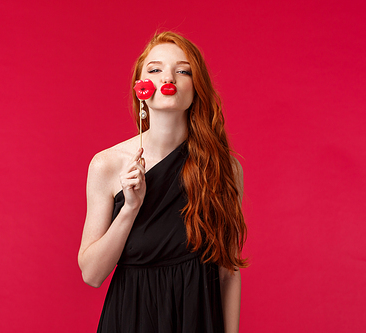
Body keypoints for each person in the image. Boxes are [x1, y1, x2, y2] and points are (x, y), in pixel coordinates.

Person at [78, 31, 248, 333]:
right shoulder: (107, 165)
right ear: (140, 88)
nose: (167, 77)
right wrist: (130, 208)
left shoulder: (224, 169)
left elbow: (227, 273)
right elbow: (91, 274)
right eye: (154, 69)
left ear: (196, 88)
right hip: (131, 320)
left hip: (197, 320)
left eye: (182, 70)